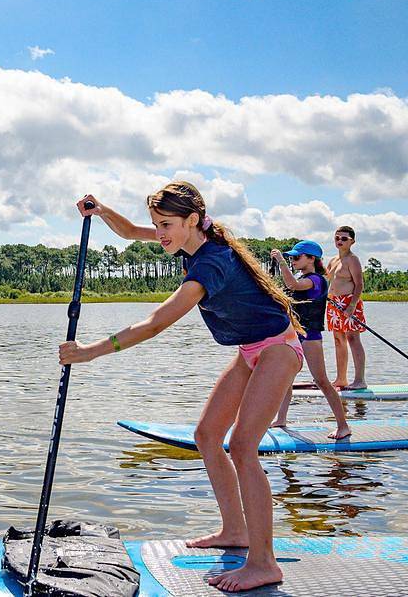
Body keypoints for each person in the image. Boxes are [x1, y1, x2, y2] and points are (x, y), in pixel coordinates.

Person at [59, 182, 304, 593]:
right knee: (207, 435)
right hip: (250, 350)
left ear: (193, 221)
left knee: (243, 446)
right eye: (158, 224)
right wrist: (101, 211)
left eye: (166, 225)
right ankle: (235, 530)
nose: (160, 233)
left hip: (279, 349)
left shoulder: (212, 262)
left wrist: (90, 352)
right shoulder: (189, 240)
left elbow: (157, 322)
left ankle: (264, 562)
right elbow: (130, 232)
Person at [270, 241, 351, 440]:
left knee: (321, 380)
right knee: (286, 378)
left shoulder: (315, 279)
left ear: (312, 259)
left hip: (310, 336)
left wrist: (281, 262)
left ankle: (343, 426)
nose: (293, 261)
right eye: (291, 258)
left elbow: (293, 286)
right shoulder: (301, 277)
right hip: (293, 334)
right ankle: (281, 419)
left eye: (297, 257)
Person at [326, 226, 367, 390]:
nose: (339, 241)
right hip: (333, 304)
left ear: (352, 241)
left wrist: (352, 306)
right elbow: (325, 278)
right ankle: (341, 379)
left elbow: (359, 285)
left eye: (344, 239)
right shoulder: (333, 260)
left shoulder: (353, 259)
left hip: (349, 302)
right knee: (338, 340)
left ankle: (360, 380)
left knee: (353, 339)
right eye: (337, 238)